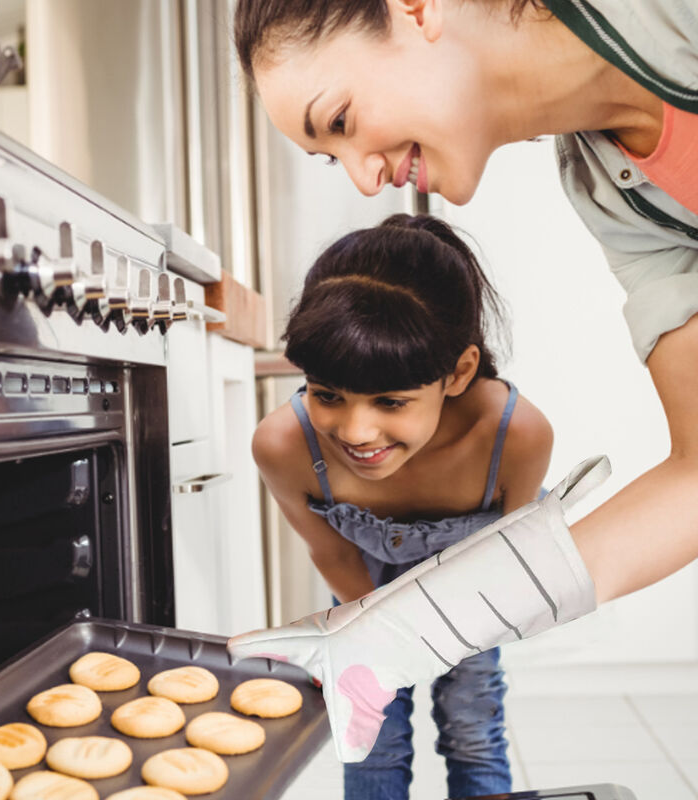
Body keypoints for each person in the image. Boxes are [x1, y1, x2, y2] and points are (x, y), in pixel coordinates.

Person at [228, 0, 698, 769]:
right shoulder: (612, 193)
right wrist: (405, 628)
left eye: (340, 119)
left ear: (415, 9)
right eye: (328, 158)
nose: (363, 176)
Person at [254, 212, 552, 798]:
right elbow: (331, 553)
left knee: (473, 726)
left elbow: (515, 557)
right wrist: (379, 638)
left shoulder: (514, 435)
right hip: (364, 595)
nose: (357, 431)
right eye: (327, 394)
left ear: (458, 372)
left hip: (477, 597)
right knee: (371, 738)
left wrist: (446, 633)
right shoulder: (284, 445)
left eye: (391, 401)